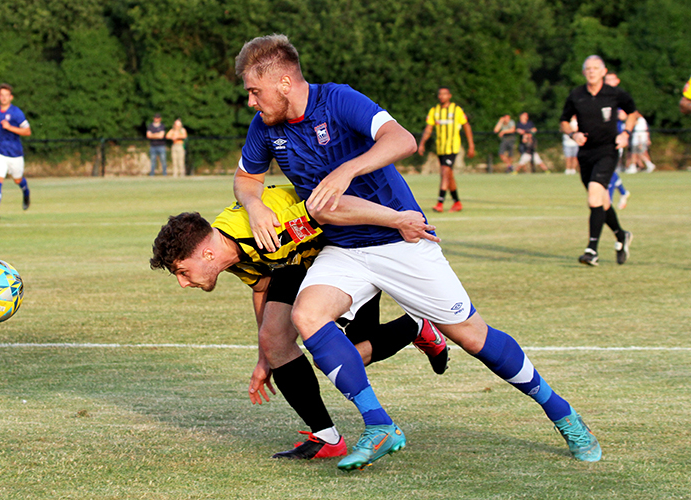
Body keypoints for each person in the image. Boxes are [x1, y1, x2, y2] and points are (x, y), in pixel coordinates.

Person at [234, 34, 601, 470]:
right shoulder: (265, 128)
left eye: (254, 91)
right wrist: (253, 204)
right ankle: (379, 425)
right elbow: (246, 178)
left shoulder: (338, 101)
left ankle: (563, 413)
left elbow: (402, 139)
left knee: (473, 338)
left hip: (400, 239)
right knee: (307, 315)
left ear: (283, 82)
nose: (252, 102)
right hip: (343, 247)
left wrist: (347, 169)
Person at [150, 185, 449, 460]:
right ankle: (326, 437)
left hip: (347, 250)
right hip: (296, 263)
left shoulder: (270, 229)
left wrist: (397, 220)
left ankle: (415, 327)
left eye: (182, 271)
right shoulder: (227, 252)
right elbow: (262, 285)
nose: (182, 283)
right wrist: (263, 355)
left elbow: (329, 210)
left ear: (206, 253)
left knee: (349, 352)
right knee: (277, 342)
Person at [561, 55, 635, 266]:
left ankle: (591, 250)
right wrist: (573, 135)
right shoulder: (576, 95)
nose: (592, 71)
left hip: (608, 150)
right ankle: (621, 235)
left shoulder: (614, 93)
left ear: (603, 72)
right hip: (585, 153)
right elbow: (564, 121)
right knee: (601, 202)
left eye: (596, 68)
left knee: (594, 194)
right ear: (584, 72)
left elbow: (633, 112)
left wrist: (626, 133)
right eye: (588, 68)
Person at [417, 86, 475, 213]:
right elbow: (428, 128)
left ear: (449, 96)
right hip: (440, 148)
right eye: (440, 94)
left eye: (444, 94)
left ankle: (440, 203)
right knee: (449, 175)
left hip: (452, 147)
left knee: (444, 171)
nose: (441, 96)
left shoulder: (456, 110)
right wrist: (421, 144)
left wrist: (471, 145)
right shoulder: (434, 110)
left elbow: (466, 126)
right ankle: (457, 202)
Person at [0, 84, 31, 222]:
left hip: (15, 153)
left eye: (6, 95)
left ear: (11, 97)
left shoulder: (17, 113)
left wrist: (10, 128)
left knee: (17, 180)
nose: (4, 98)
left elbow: (27, 131)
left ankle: (26, 192)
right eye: (1, 95)